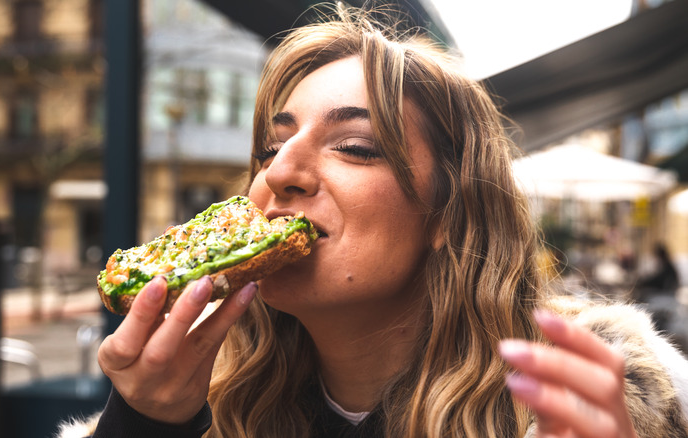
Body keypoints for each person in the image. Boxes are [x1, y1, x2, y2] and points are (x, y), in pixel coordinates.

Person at [59, 5, 688, 437]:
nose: (280, 174)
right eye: (270, 150)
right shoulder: (207, 409)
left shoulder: (590, 404)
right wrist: (142, 423)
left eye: (355, 147)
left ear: (449, 211)